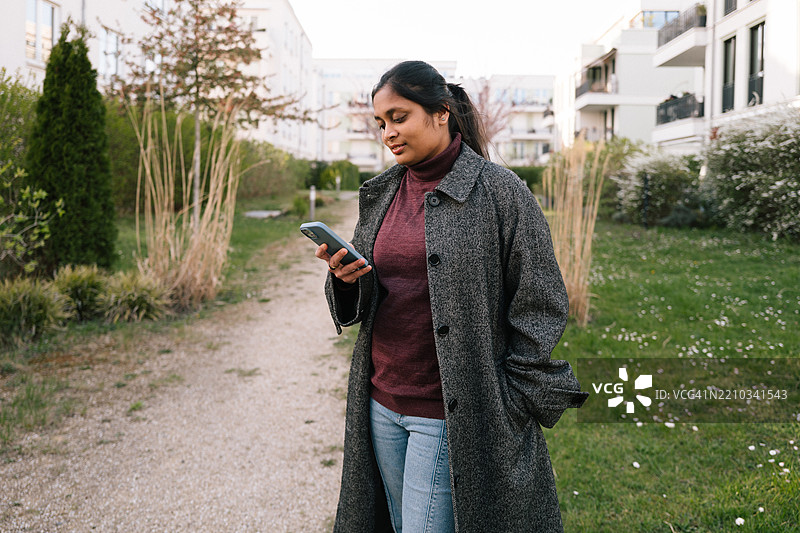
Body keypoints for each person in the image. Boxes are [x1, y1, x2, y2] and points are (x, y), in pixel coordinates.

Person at [314, 60, 588, 533]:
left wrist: (512, 397)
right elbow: (375, 295)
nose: (388, 133)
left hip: (450, 411)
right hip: (380, 402)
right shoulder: (381, 193)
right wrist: (344, 278)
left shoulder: (501, 193)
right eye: (381, 123)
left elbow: (540, 299)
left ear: (441, 112)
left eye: (399, 117)